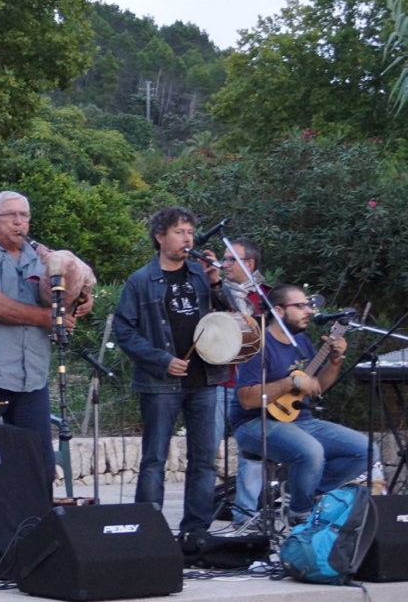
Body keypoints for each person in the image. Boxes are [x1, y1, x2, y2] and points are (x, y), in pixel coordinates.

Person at [0, 191, 90, 482]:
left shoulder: (36, 254)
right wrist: (52, 319)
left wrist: (82, 299)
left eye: (24, 215)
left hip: (30, 376)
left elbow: (57, 291)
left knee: (39, 467)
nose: (19, 222)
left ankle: (33, 527)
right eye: (10, 215)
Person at [113, 206, 231, 535]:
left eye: (191, 232)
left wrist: (216, 281)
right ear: (160, 237)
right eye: (180, 232)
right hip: (161, 382)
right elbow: (125, 331)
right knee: (154, 460)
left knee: (204, 460)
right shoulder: (140, 280)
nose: (188, 238)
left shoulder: (200, 275)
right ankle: (147, 532)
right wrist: (162, 360)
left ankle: (196, 533)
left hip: (205, 379)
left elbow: (231, 317)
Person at [229, 284, 375, 525]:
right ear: (278, 310)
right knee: (311, 452)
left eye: (309, 305)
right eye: (300, 306)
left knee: (365, 450)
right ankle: (300, 514)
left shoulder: (302, 342)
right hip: (256, 423)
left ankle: (304, 493)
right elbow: (247, 399)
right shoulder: (258, 344)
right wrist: (291, 380)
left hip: (300, 420)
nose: (308, 310)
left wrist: (335, 360)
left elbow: (317, 386)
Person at [215, 237, 269, 526]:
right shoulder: (217, 292)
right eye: (223, 259)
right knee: (204, 452)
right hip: (220, 381)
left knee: (252, 452)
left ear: (249, 264)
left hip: (252, 384)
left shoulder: (269, 298)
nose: (223, 265)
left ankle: (245, 517)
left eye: (229, 260)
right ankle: (195, 517)